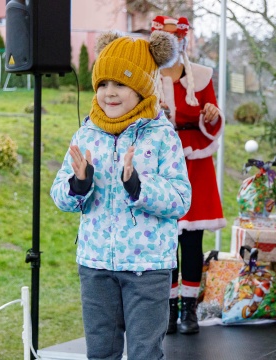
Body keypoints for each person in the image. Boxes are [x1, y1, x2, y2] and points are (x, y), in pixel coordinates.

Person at [50, 31, 191, 360]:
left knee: (145, 353)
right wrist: (80, 182)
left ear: (142, 88)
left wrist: (138, 186)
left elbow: (181, 198)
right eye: (102, 84)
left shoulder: (161, 135)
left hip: (148, 267)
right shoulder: (85, 133)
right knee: (100, 352)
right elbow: (60, 194)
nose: (109, 93)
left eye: (120, 84)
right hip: (96, 265)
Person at [150, 15, 226, 335]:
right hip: (161, 164)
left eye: (176, 38)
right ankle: (167, 311)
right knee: (166, 241)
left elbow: (214, 116)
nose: (172, 44)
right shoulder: (146, 76)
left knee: (192, 241)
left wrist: (211, 114)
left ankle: (189, 310)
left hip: (195, 163)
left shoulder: (201, 76)